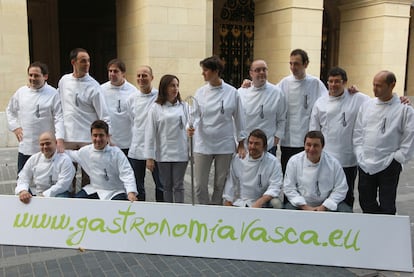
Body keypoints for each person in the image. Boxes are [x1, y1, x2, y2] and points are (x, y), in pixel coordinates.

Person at [353, 70, 414, 215]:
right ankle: (372, 229)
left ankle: (386, 233)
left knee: (387, 203)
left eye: (379, 85)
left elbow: (409, 135)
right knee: (365, 200)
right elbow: (358, 131)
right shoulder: (367, 105)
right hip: (366, 162)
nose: (374, 89)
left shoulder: (404, 109)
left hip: (389, 163)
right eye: (373, 85)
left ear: (392, 85)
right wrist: (359, 153)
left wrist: (398, 158)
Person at [188, 55, 246, 205]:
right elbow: (194, 114)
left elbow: (240, 118)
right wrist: (191, 126)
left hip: (224, 144)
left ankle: (216, 211)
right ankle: (204, 211)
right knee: (200, 185)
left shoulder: (232, 92)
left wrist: (241, 142)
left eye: (205, 70)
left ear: (216, 71)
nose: (203, 74)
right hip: (203, 143)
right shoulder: (200, 92)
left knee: (220, 184)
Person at [309, 67, 370, 208]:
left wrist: (400, 100)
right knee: (325, 192)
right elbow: (314, 130)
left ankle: (345, 219)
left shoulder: (357, 98)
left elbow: (379, 103)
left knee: (346, 193)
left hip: (347, 158)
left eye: (337, 81)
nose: (333, 85)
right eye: (330, 81)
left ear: (345, 82)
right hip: (326, 157)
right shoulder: (320, 103)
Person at [58, 48, 111, 190]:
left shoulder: (94, 85)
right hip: (68, 138)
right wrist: (59, 136)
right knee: (67, 176)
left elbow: (103, 114)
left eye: (88, 60)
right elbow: (59, 107)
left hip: (87, 139)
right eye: (83, 61)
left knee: (89, 176)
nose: (87, 64)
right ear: (73, 62)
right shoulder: (64, 81)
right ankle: (69, 206)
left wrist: (107, 137)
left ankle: (87, 205)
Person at [6, 61, 64, 173]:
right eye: (30, 75)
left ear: (45, 76)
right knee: (23, 178)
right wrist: (16, 128)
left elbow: (59, 118)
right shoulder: (21, 92)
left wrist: (59, 139)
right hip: (26, 145)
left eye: (36, 75)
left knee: (45, 179)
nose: (32, 78)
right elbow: (10, 111)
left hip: (46, 147)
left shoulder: (53, 94)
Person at [277, 49, 328, 174]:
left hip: (307, 140)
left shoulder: (315, 83)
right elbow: (268, 93)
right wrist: (250, 84)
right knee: (288, 174)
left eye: (296, 64)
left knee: (306, 175)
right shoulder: (284, 83)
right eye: (291, 64)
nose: (293, 67)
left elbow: (329, 101)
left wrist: (350, 92)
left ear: (306, 64)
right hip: (288, 140)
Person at [66, 120, 138, 201]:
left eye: (101, 135)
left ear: (107, 136)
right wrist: (54, 148)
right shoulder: (85, 151)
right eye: (95, 135)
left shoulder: (116, 153)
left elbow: (127, 173)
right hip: (94, 189)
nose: (98, 139)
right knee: (78, 201)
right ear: (91, 136)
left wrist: (131, 192)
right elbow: (70, 155)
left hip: (115, 191)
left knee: (118, 206)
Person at [144, 75, 188, 203]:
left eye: (177, 85)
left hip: (181, 153)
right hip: (164, 153)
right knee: (166, 186)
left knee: (179, 185)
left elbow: (192, 123)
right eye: (172, 85)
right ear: (164, 88)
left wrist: (191, 128)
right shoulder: (155, 108)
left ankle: (180, 212)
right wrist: (150, 157)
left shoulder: (184, 107)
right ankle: (169, 213)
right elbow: (150, 133)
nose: (175, 88)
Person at [283, 131, 351, 212]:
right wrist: (305, 207)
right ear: (304, 145)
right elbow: (289, 188)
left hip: (327, 203)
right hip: (302, 204)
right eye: (308, 145)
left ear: (322, 146)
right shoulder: (294, 161)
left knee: (346, 211)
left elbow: (341, 188)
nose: (311, 149)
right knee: (288, 211)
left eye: (316, 146)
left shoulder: (333, 163)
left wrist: (324, 206)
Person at [127, 65, 164, 201]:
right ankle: (141, 214)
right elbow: (131, 120)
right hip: (137, 147)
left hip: (156, 149)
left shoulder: (160, 97)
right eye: (139, 76)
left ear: (152, 78)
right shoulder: (131, 98)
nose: (141, 78)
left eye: (145, 75)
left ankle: (161, 213)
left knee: (161, 185)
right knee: (137, 186)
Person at [223, 129, 283, 208]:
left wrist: (261, 201)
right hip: (241, 201)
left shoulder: (273, 162)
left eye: (257, 144)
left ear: (264, 146)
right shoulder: (238, 159)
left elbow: (275, 186)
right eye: (250, 143)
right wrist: (228, 200)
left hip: (264, 202)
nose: (252, 146)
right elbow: (230, 182)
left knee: (276, 203)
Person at [238, 60, 286, 155]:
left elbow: (282, 118)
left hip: (268, 145)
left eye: (264, 69)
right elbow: (236, 120)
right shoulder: (241, 93)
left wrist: (276, 139)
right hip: (248, 146)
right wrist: (240, 143)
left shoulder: (277, 93)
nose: (261, 73)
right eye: (257, 70)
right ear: (251, 73)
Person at [15, 132, 75, 204]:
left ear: (55, 143)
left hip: (59, 193)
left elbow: (63, 184)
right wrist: (23, 190)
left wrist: (45, 195)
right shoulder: (34, 159)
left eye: (48, 143)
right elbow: (23, 177)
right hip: (38, 192)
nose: (45, 147)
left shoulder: (65, 160)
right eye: (42, 144)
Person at [101, 59, 138, 156]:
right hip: (108, 141)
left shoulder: (133, 91)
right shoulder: (101, 90)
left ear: (123, 74)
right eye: (110, 71)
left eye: (116, 71)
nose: (112, 73)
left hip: (128, 141)